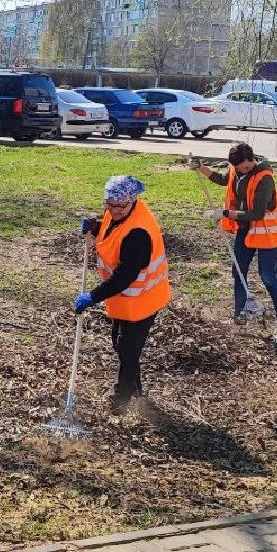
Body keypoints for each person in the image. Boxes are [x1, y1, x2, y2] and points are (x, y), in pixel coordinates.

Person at [75, 175, 171, 416]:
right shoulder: (117, 211)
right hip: (124, 299)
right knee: (120, 344)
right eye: (110, 204)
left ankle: (122, 400)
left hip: (143, 301)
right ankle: (136, 389)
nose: (115, 210)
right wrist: (95, 227)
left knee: (128, 350)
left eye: (120, 206)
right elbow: (111, 230)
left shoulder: (139, 233)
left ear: (132, 201)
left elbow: (124, 276)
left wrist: (93, 296)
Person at [195, 142, 277, 345]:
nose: (242, 171)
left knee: (268, 278)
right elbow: (224, 179)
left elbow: (257, 214)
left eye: (245, 168)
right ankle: (240, 317)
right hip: (245, 232)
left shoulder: (264, 179)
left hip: (266, 235)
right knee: (238, 272)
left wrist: (225, 214)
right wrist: (201, 167)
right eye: (239, 168)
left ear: (251, 160)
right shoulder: (236, 170)